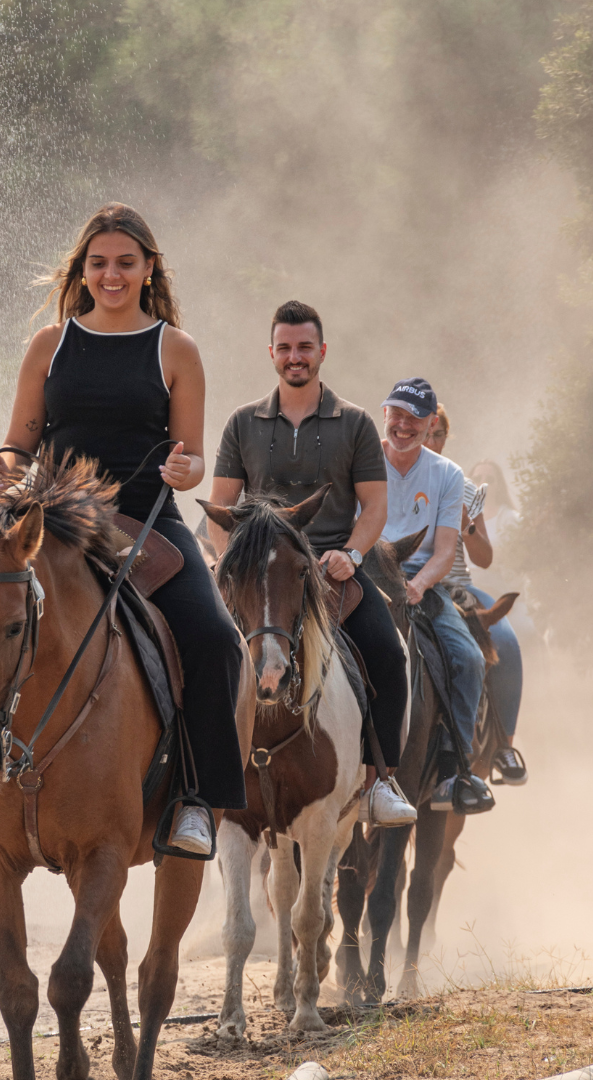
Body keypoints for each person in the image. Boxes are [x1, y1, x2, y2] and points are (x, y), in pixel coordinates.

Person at [0, 202, 247, 856]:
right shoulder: (48, 345)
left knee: (217, 639)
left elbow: (193, 456)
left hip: (144, 523)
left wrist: (185, 467)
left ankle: (195, 802)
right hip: (47, 517)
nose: (111, 275)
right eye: (98, 264)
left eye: (125, 263)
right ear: (82, 271)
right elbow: (17, 445)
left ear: (148, 270)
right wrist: (1, 469)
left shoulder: (176, 349)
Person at [207, 300, 416, 828]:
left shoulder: (358, 424)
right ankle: (194, 784)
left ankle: (379, 782)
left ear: (321, 351)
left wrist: (351, 553)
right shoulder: (240, 424)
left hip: (332, 572)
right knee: (202, 649)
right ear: (271, 353)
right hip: (259, 575)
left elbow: (375, 508)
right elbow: (223, 510)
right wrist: (233, 566)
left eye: (304, 347)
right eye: (285, 348)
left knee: (389, 656)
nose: (294, 357)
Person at [379, 380, 493, 812]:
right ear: (384, 414)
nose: (403, 425)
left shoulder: (448, 475)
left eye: (414, 418)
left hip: (420, 583)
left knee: (470, 658)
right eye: (397, 415)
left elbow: (447, 550)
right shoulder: (363, 455)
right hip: (367, 574)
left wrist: (418, 585)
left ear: (430, 425)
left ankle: (454, 769)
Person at [424, 414, 527, 784]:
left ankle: (503, 746)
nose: (431, 441)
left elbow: (484, 558)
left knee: (506, 642)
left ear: (447, 436)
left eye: (438, 434)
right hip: (407, 583)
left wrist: (467, 523)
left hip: (459, 585)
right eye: (425, 433)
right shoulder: (390, 478)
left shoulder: (465, 486)